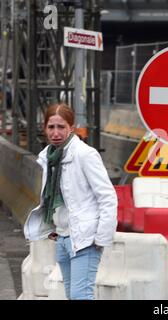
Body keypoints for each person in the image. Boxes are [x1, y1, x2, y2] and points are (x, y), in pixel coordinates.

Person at [23, 103, 118, 300]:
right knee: (71, 295)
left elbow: (107, 197)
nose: (56, 133)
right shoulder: (50, 157)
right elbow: (54, 200)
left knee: (80, 296)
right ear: (45, 128)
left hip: (85, 237)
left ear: (71, 128)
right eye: (51, 127)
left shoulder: (85, 154)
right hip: (63, 237)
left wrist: (101, 237)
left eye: (61, 127)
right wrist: (53, 227)